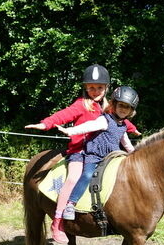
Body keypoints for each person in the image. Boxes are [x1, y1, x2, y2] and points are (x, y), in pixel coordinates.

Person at [26, 64, 133, 244]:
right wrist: (46, 124)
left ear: (106, 88)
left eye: (99, 87)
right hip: (80, 152)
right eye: (91, 87)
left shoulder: (109, 107)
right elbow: (63, 115)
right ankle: (58, 220)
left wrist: (133, 129)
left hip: (105, 153)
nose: (95, 91)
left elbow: (120, 123)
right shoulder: (80, 105)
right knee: (73, 178)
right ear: (85, 88)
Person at [56, 86, 139, 220]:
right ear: (114, 104)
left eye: (127, 107)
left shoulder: (123, 126)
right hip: (95, 156)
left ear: (131, 111)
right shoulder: (105, 120)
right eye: (121, 105)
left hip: (110, 159)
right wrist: (70, 131)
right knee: (88, 174)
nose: (123, 109)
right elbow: (88, 126)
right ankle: (71, 203)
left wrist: (135, 155)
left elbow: (127, 144)